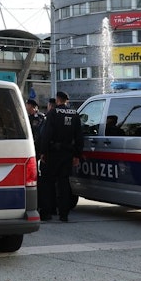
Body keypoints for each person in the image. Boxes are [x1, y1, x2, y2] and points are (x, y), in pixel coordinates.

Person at [37, 91, 83, 222]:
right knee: (63, 183)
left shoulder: (53, 113)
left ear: (57, 100)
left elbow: (46, 134)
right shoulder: (75, 114)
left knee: (47, 182)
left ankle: (47, 213)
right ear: (66, 101)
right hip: (67, 153)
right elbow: (79, 136)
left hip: (53, 153)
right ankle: (64, 214)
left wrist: (43, 152)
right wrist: (77, 155)